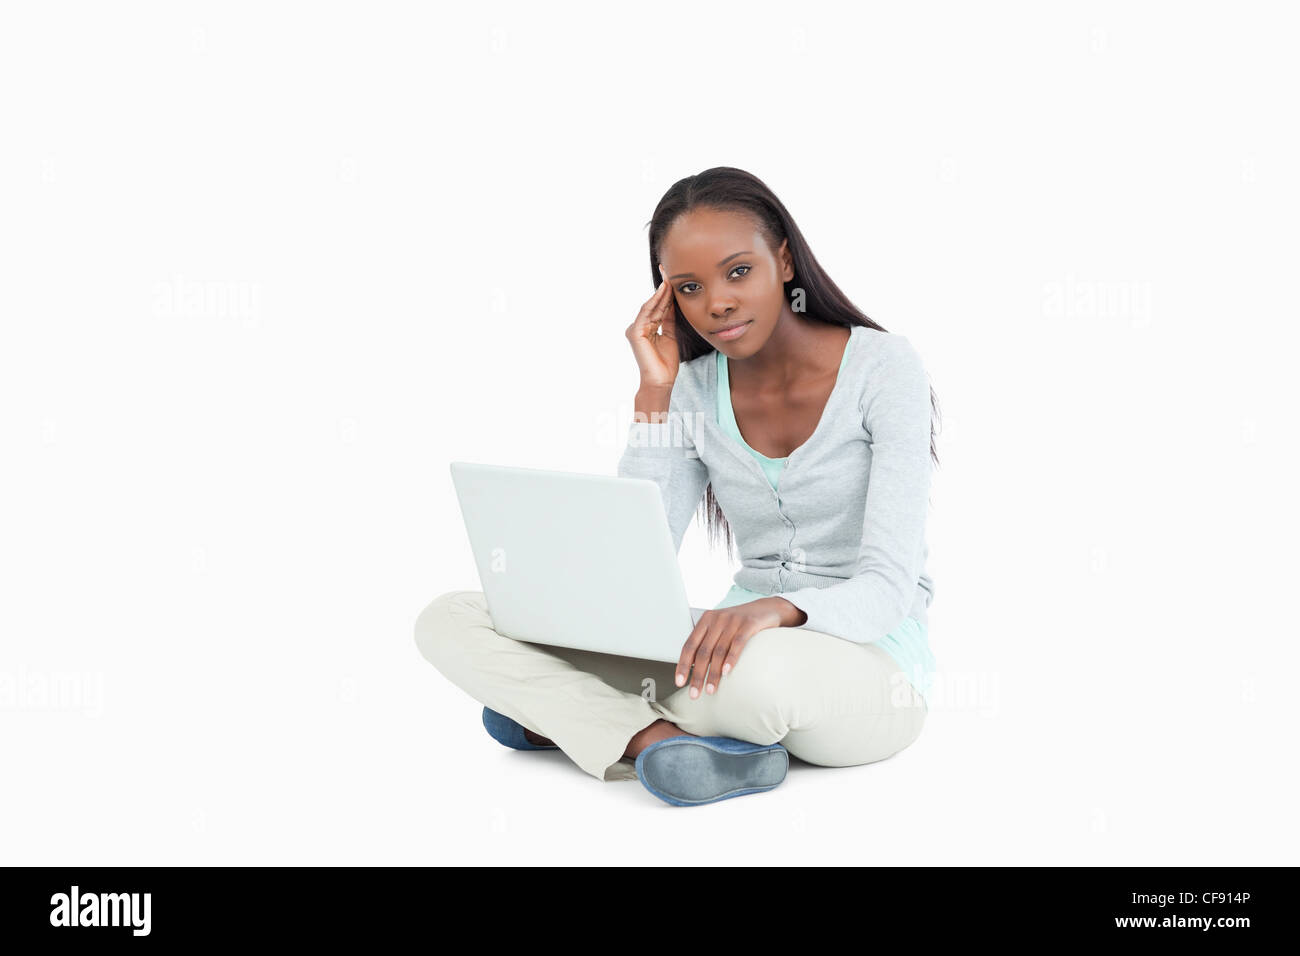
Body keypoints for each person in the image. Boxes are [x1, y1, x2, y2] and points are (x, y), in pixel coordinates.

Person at [414, 166, 940, 806]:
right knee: (450, 618)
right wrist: (655, 393)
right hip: (727, 642)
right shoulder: (691, 388)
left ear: (784, 259)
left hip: (866, 661)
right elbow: (635, 557)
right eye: (689, 287)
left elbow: (888, 589)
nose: (716, 302)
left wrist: (777, 610)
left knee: (759, 681)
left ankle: (568, 712)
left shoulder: (885, 369)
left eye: (738, 271)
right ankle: (656, 738)